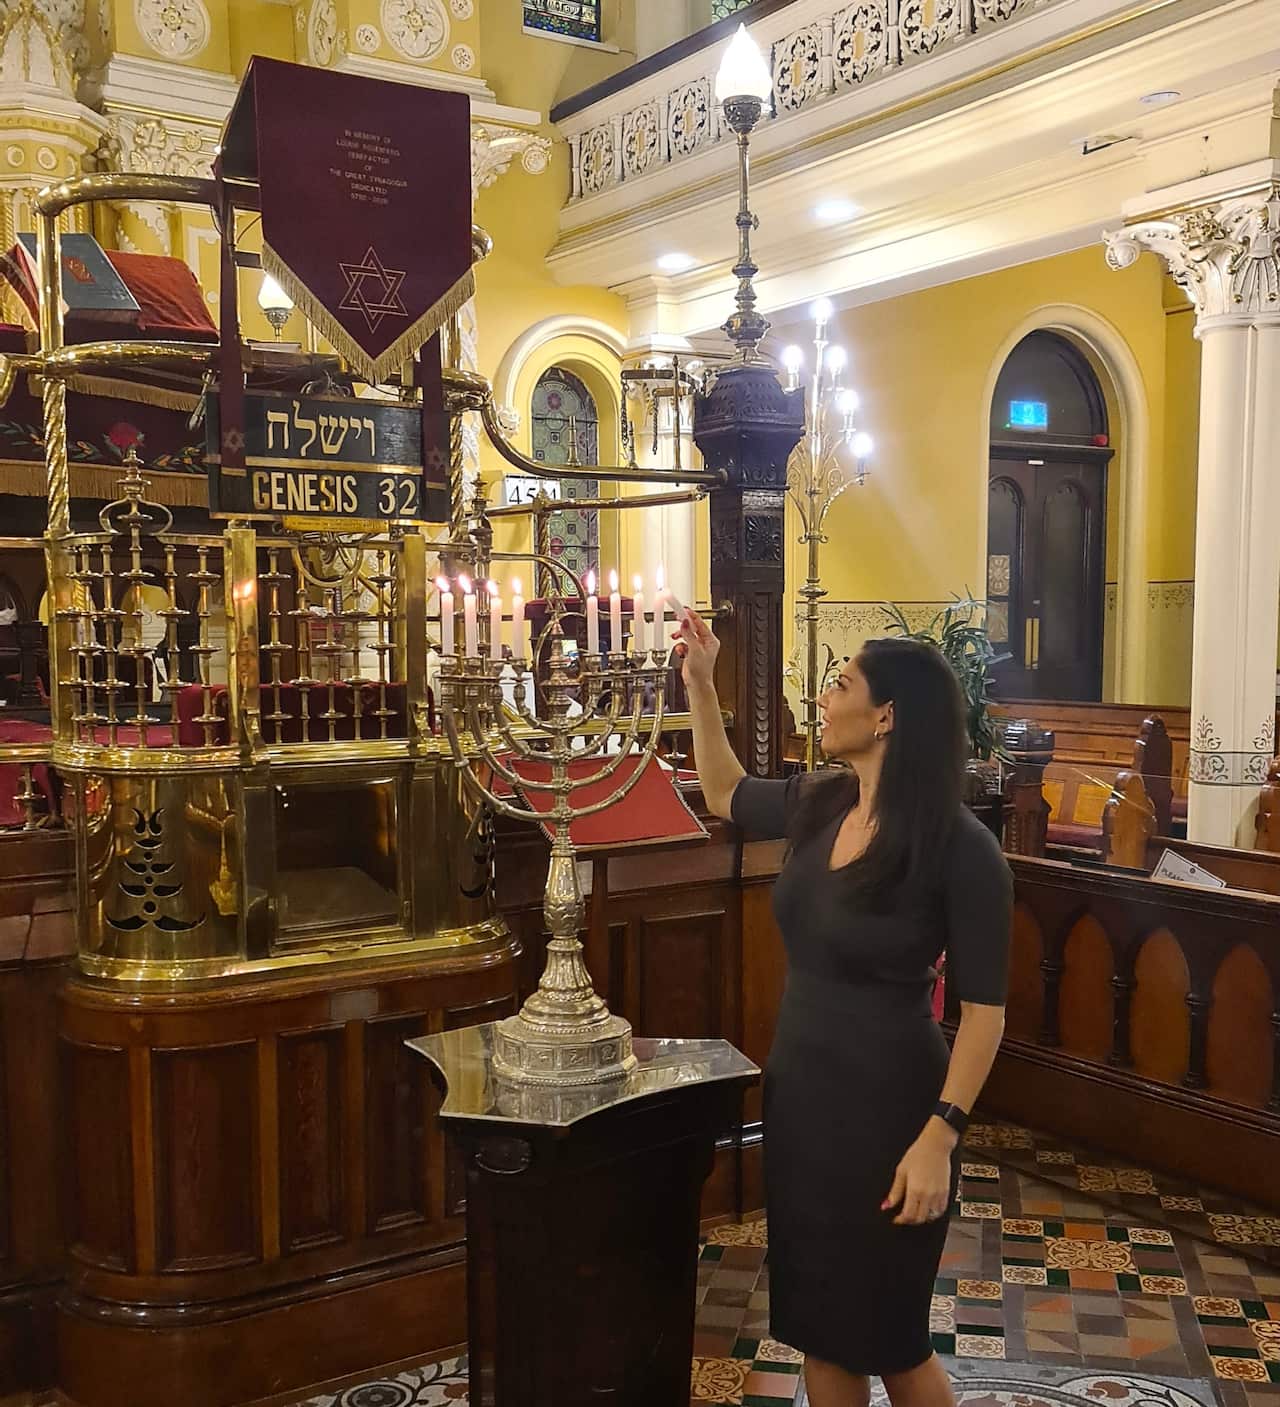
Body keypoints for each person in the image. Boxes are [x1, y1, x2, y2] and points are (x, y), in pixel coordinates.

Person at [672, 608, 1012, 1407]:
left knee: (891, 1340)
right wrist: (700, 682)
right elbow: (722, 790)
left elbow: (986, 1016)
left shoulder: (962, 849)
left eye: (841, 683)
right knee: (821, 1333)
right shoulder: (823, 802)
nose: (823, 697)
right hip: (803, 1106)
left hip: (892, 1116)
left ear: (886, 715)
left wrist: (940, 1136)